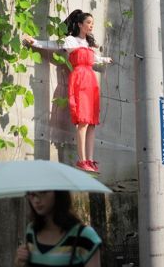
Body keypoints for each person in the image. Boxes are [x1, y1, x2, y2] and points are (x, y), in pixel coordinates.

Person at [23, 10, 113, 173]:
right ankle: (82, 160)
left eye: (92, 23)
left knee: (92, 122)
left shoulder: (87, 43)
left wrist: (105, 59)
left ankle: (90, 160)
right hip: (79, 79)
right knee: (83, 121)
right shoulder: (70, 40)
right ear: (79, 24)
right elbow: (52, 44)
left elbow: (94, 59)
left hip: (91, 81)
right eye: (88, 22)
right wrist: (34, 42)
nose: (91, 25)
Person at [14, 191, 101, 267]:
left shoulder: (84, 235)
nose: (36, 200)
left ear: (59, 193)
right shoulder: (31, 231)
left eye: (42, 192)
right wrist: (24, 261)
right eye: (31, 194)